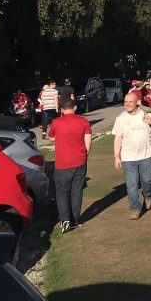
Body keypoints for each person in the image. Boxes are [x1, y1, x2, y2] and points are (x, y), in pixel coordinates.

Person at [112, 92, 151, 220]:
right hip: (128, 157)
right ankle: (135, 208)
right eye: (125, 102)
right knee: (132, 184)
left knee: (147, 181)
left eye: (130, 102)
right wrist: (117, 156)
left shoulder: (146, 114)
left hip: (146, 155)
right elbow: (118, 138)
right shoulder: (120, 118)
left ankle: (147, 195)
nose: (127, 105)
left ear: (137, 102)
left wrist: (150, 122)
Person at [47, 96, 92, 233]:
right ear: (75, 108)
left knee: (62, 192)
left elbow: (50, 137)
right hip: (79, 161)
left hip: (62, 163)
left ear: (61, 109)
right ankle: (76, 219)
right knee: (77, 190)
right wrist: (85, 155)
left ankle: (65, 220)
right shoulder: (83, 121)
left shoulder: (56, 122)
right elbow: (88, 141)